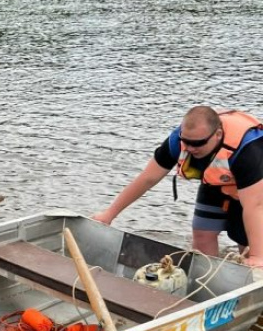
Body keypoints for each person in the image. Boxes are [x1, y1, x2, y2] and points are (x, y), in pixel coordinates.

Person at [94, 106, 263, 267]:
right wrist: (109, 214)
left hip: (254, 188)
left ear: (217, 134)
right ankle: (207, 280)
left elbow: (254, 206)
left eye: (197, 143)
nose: (189, 148)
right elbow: (147, 179)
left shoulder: (248, 151)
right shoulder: (178, 141)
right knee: (202, 234)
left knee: (246, 242)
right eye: (186, 141)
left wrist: (257, 256)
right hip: (218, 182)